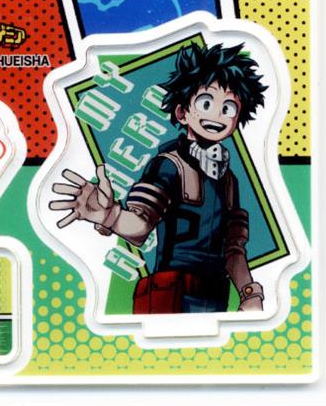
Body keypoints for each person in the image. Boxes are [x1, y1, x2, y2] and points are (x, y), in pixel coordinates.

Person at [50, 43, 267, 314]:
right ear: (182, 113)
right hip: (171, 295)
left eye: (229, 108)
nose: (217, 115)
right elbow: (141, 224)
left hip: (216, 299)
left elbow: (233, 248)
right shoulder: (169, 165)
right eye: (206, 103)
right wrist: (109, 215)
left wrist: (249, 293)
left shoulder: (229, 180)